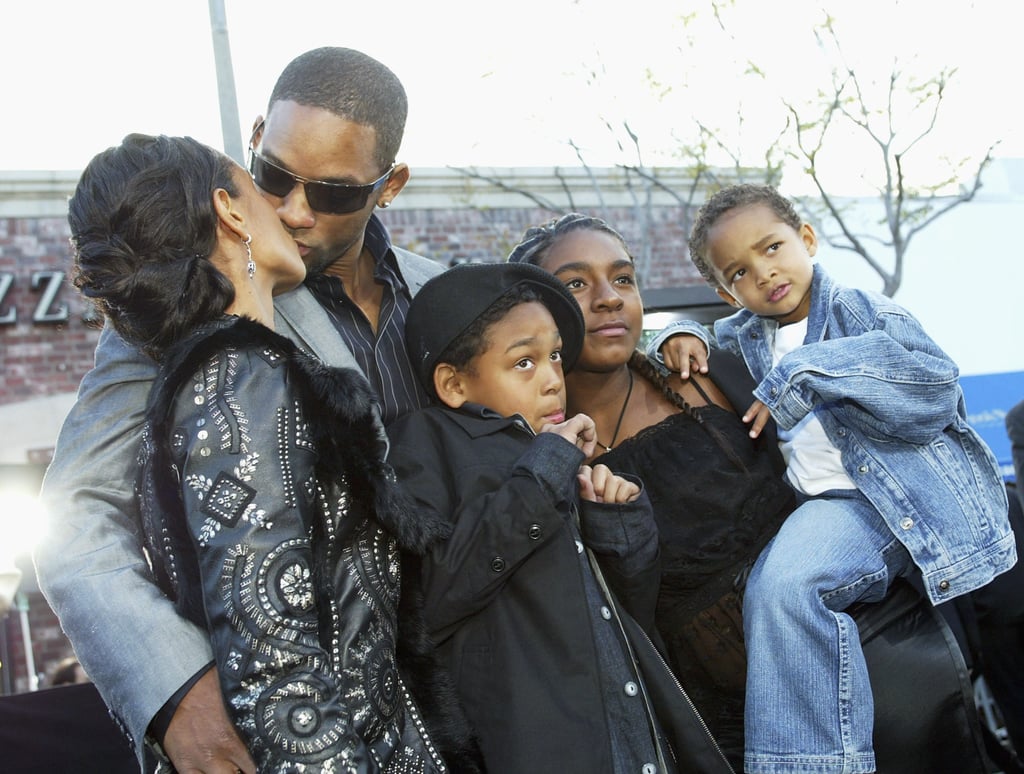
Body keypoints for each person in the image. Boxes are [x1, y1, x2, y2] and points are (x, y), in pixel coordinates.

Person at [33, 47, 454, 773]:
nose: (294, 211)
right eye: (275, 176)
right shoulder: (190, 319)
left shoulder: (446, 292)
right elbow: (74, 521)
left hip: (473, 699)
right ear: (255, 138)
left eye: (331, 194)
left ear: (390, 186)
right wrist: (173, 689)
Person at [646, 183, 1015, 774]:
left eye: (772, 248)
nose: (763, 273)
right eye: (740, 271)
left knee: (787, 588)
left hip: (894, 500)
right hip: (826, 507)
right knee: (775, 591)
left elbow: (936, 390)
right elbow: (672, 333)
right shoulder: (745, 333)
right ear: (724, 291)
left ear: (806, 239)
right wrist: (675, 334)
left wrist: (809, 368)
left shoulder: (866, 312)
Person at [387, 261, 734, 774]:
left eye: (553, 356)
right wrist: (546, 468)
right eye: (523, 363)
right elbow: (437, 593)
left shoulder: (556, 456)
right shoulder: (424, 442)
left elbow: (627, 612)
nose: (553, 379)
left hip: (632, 733)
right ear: (454, 385)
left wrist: (619, 527)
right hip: (543, 743)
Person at [506, 212, 795, 767]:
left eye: (622, 279)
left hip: (845, 657)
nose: (609, 298)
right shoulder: (540, 452)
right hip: (710, 732)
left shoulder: (705, 376)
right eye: (575, 284)